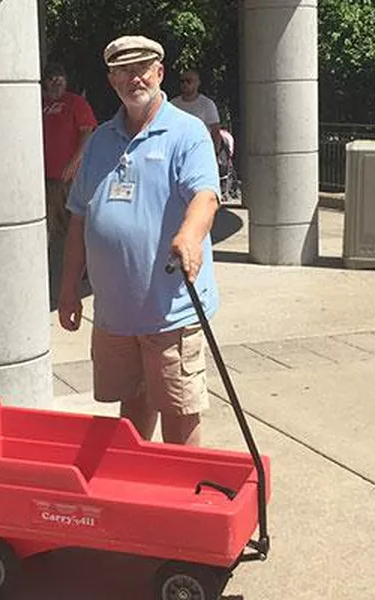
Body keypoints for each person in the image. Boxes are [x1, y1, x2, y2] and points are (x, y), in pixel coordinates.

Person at [57, 35, 221, 447]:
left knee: (180, 415)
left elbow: (206, 195)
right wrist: (68, 289)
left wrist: (190, 234)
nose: (136, 78)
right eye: (124, 71)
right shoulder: (98, 143)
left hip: (171, 312)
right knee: (131, 410)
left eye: (143, 68)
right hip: (115, 313)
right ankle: (141, 492)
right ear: (112, 80)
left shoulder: (188, 132)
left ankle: (180, 502)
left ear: (160, 73)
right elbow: (79, 218)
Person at [41, 62, 97, 240]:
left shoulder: (75, 102)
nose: (56, 85)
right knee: (49, 229)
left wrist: (74, 162)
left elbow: (88, 131)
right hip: (44, 179)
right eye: (52, 81)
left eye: (60, 81)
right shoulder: (38, 103)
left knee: (74, 227)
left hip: (70, 178)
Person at [171, 68, 223, 152]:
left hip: (200, 150)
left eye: (189, 81)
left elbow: (215, 131)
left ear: (197, 83)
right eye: (182, 81)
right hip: (178, 151)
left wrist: (215, 153)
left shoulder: (207, 104)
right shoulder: (173, 104)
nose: (185, 84)